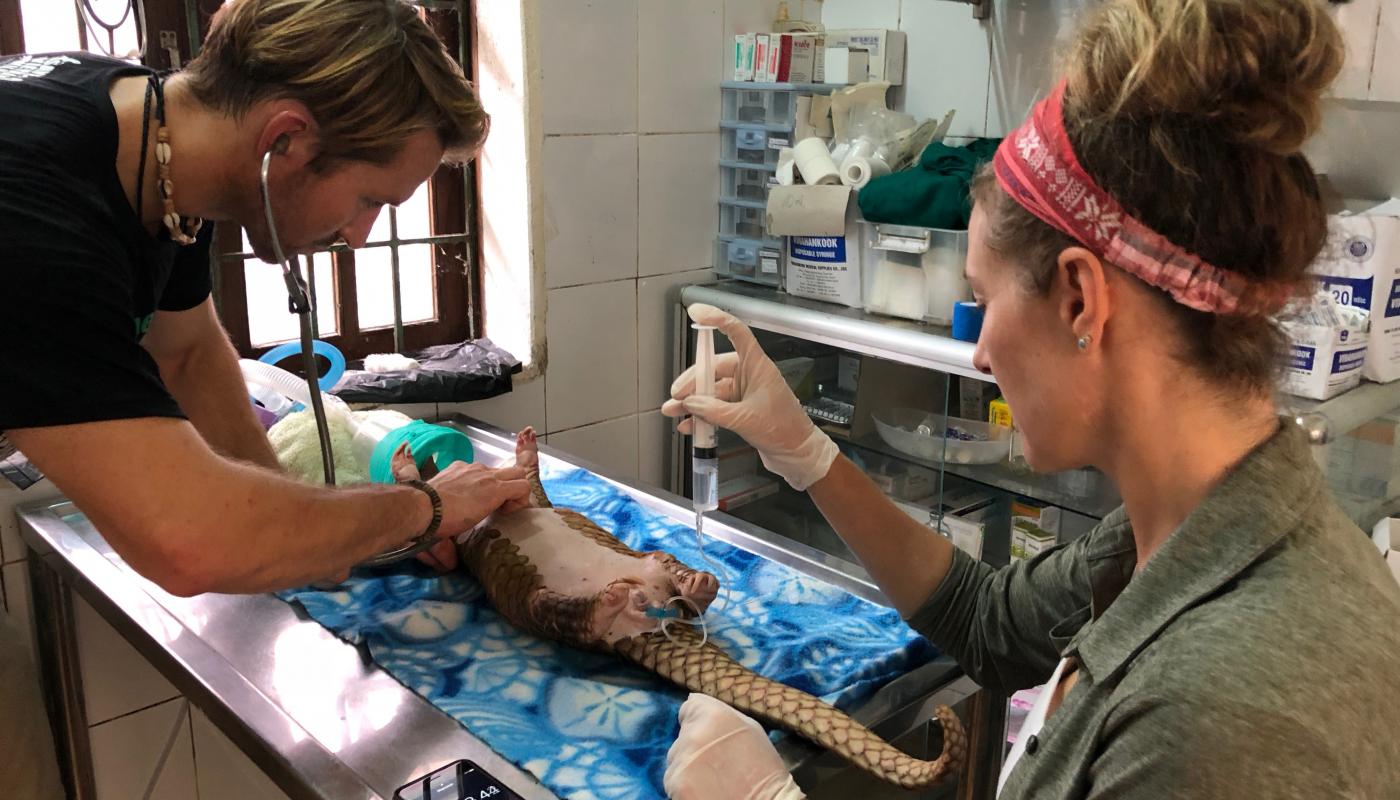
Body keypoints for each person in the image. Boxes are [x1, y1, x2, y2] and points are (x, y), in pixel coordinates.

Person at [663, 1, 1400, 797]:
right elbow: (984, 621)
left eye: (984, 298)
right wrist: (803, 450)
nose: (980, 352)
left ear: (1081, 298)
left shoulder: (1222, 722)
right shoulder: (1179, 532)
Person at [0, 1, 529, 795]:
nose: (358, 238)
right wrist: (423, 511)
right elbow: (188, 540)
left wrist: (307, 534)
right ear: (284, 141)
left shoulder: (157, 149)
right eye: (368, 200)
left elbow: (186, 353)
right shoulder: (31, 199)